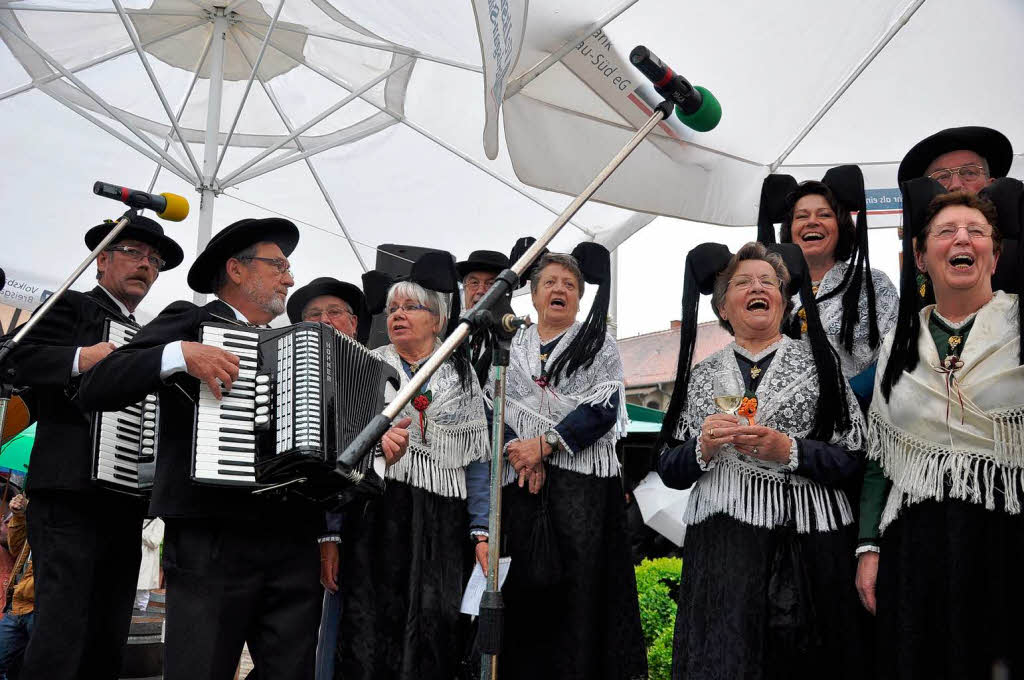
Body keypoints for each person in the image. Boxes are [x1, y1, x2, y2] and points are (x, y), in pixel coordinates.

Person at [78, 218, 410, 680]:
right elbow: (96, 386)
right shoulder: (190, 321)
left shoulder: (307, 349)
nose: (289, 279)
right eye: (278, 266)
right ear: (235, 269)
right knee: (200, 669)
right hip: (211, 541)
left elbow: (326, 458)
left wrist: (373, 450)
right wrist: (180, 355)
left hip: (293, 541)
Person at [657, 241, 867, 679]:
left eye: (768, 282)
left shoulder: (820, 365)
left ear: (784, 299)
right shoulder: (701, 375)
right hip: (724, 549)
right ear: (723, 307)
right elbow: (669, 467)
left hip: (806, 542)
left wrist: (790, 451)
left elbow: (853, 456)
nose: (758, 288)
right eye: (743, 283)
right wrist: (705, 447)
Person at [0, 214, 182, 679]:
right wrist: (84, 357)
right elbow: (18, 359)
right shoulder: (71, 308)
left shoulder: (145, 333)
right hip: (67, 492)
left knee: (108, 628)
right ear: (101, 260)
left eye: (154, 260)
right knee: (62, 628)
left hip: (122, 499)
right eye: (133, 253)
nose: (146, 265)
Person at [858, 184, 1024, 678]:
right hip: (917, 542)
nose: (962, 240)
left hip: (1006, 533)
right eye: (946, 231)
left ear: (994, 255)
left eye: (977, 232)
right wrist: (869, 548)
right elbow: (879, 457)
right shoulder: (898, 342)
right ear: (921, 255)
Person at [495, 245, 647, 680]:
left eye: (569, 285)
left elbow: (604, 407)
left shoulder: (598, 342)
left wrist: (544, 444)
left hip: (582, 491)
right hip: (522, 484)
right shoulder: (511, 343)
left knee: (581, 592)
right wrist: (519, 452)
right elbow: (493, 405)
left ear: (579, 296)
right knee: (525, 590)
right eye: (550, 283)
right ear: (534, 293)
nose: (559, 290)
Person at [336, 251, 489, 680]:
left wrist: (481, 530)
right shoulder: (366, 365)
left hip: (441, 520)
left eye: (410, 307)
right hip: (377, 515)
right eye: (392, 309)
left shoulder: (462, 376)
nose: (398, 316)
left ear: (437, 319)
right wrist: (331, 530)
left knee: (434, 624)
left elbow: (477, 461)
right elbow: (340, 452)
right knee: (371, 622)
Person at [282, 276, 410, 680]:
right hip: (301, 526)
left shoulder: (377, 374)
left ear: (354, 323)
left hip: (370, 522)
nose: (325, 321)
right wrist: (328, 536)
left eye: (335, 312)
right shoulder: (287, 367)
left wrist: (386, 445)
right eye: (314, 315)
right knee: (310, 639)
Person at [758, 165, 899, 382]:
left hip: (860, 406)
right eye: (801, 216)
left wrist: (850, 398)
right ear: (790, 229)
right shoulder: (769, 289)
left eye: (824, 214)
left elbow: (894, 352)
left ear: (840, 226)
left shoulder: (874, 284)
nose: (812, 221)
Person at [0, 494, 33, 679]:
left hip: (38, 606)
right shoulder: (28, 511)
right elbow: (17, 548)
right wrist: (19, 516)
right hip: (16, 606)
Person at [134, 517, 163, 612]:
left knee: (142, 595)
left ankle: (141, 622)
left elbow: (154, 541)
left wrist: (140, 532)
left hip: (146, 566)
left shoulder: (159, 523)